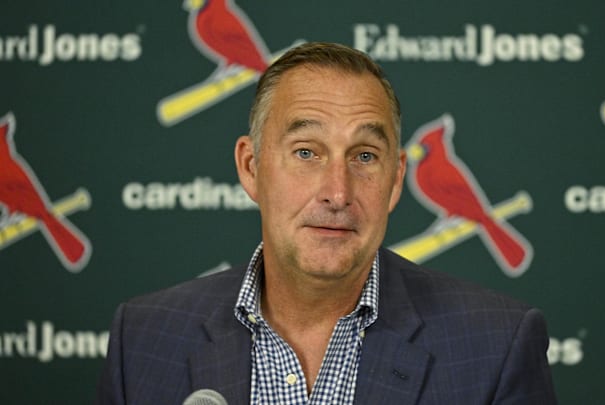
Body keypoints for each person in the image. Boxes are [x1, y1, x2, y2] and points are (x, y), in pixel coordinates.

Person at [96, 42, 556, 405]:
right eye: (306, 152)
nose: (338, 193)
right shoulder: (143, 339)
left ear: (396, 181)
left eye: (364, 157)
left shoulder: (497, 346)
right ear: (251, 167)